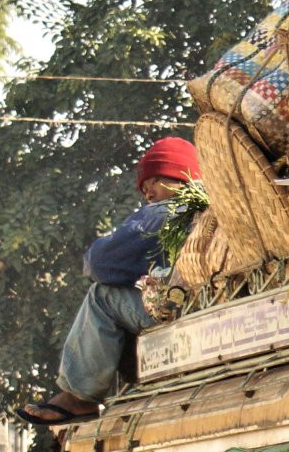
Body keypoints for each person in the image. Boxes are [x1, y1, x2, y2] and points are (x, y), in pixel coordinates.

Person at [17, 137, 201, 425]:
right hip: (210, 304)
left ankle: (78, 398)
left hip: (182, 309)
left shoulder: (169, 211)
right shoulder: (212, 209)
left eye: (152, 181)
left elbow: (100, 263)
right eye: (144, 188)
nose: (147, 193)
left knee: (102, 295)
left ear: (177, 175)